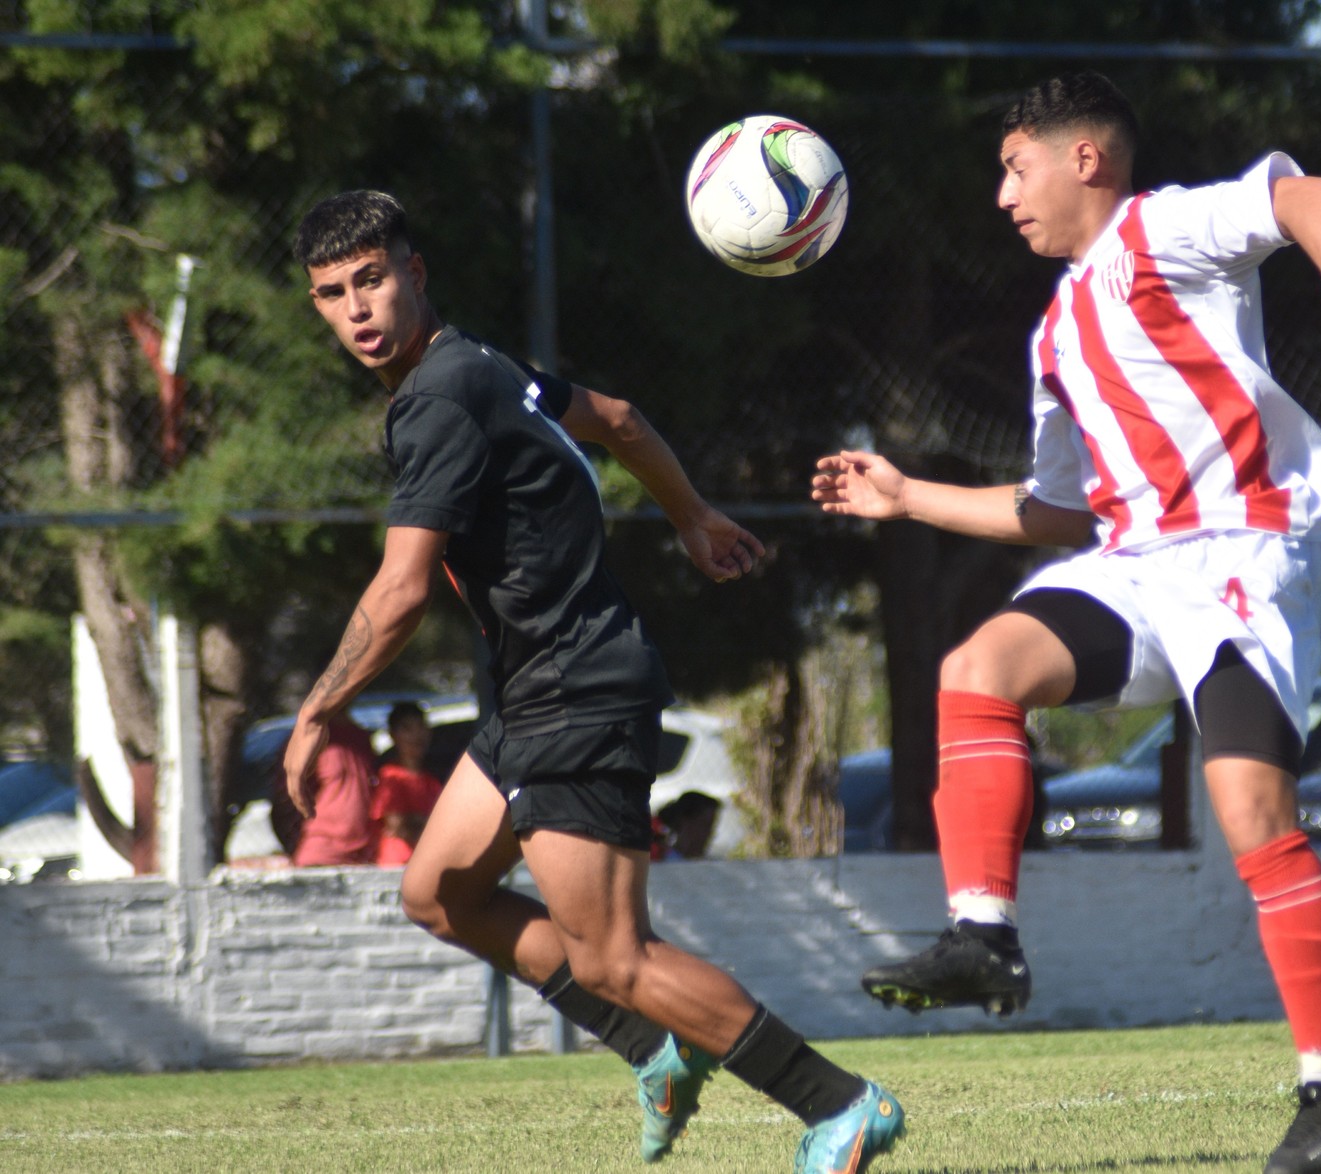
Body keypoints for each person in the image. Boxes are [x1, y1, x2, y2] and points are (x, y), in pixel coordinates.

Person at [812, 72, 1321, 1174]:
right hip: (1133, 563)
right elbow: (1052, 510)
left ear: (1082, 158)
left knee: (1248, 811)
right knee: (978, 665)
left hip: (1244, 547)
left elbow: (1310, 197)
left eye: (1013, 167)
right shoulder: (1052, 336)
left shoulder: (1161, 229)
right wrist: (904, 497)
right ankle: (983, 933)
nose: (1001, 196)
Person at [283, 190, 904, 1172]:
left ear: (414, 272)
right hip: (537, 692)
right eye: (331, 293)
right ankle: (650, 1050)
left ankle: (839, 1102)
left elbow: (400, 590)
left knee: (616, 959)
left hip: (577, 689)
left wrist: (318, 707)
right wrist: (692, 517)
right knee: (435, 892)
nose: (357, 308)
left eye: (371, 279)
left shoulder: (440, 395)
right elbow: (615, 416)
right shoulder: (480, 367)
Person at [290, 712, 377, 867]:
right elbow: (289, 797)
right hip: (324, 845)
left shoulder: (361, 737)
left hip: (364, 845)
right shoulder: (311, 737)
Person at [370, 700, 444, 867]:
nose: (417, 735)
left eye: (421, 726)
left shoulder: (432, 781)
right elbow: (397, 825)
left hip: (425, 865)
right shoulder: (390, 776)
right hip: (397, 864)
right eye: (407, 729)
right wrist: (434, 824)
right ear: (393, 735)